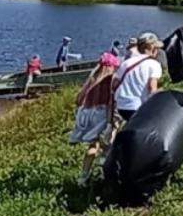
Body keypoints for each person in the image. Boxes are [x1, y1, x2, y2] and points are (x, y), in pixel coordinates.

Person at [70, 52, 119, 185]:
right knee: (108, 144)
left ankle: (83, 176)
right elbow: (111, 103)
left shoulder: (92, 78)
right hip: (102, 115)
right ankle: (106, 170)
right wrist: (111, 122)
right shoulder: (111, 80)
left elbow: (79, 99)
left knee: (93, 144)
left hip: (86, 114)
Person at [112, 32, 163, 122]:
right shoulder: (154, 64)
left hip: (122, 107)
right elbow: (152, 87)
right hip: (138, 107)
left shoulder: (126, 63)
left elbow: (114, 84)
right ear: (153, 48)